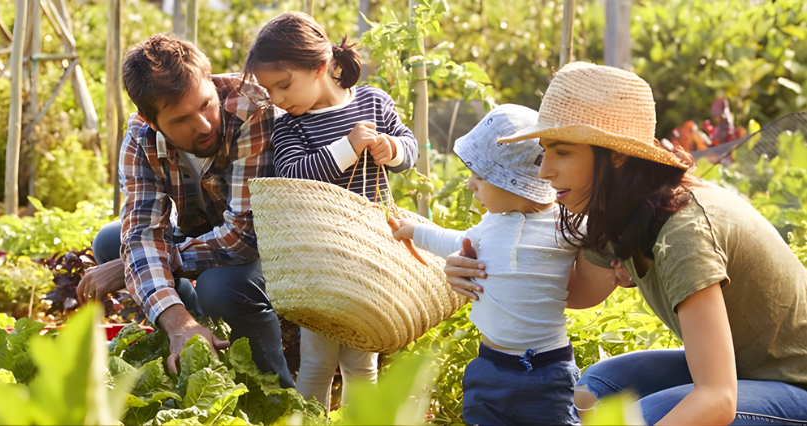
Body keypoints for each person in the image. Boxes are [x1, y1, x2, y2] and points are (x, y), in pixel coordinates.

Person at [449, 61, 807, 425]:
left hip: (795, 387)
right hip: (744, 371)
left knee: (638, 419)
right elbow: (575, 293)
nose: (544, 172)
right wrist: (483, 266)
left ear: (617, 155)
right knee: (595, 391)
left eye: (562, 151)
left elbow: (717, 397)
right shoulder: (623, 208)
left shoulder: (683, 228)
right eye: (545, 152)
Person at [75, 34, 295, 388]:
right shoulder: (140, 139)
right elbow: (142, 232)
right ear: (150, 120)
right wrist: (177, 320)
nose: (204, 125)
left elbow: (242, 237)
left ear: (212, 85)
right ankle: (196, 350)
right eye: (181, 119)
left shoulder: (250, 109)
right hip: (208, 234)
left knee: (220, 286)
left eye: (206, 104)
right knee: (111, 241)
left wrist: (144, 264)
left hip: (266, 245)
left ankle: (277, 392)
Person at [242, 12, 418, 408]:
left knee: (362, 359)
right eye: (270, 91)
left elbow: (410, 148)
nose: (278, 99)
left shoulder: (373, 102)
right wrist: (347, 147)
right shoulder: (290, 127)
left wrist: (392, 150)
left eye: (284, 85)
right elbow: (291, 174)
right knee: (318, 360)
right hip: (319, 260)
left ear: (320, 66)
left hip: (369, 253)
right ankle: (309, 418)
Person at [392, 104, 582, 425]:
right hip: (490, 365)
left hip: (549, 370)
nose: (470, 185)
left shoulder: (567, 225)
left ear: (512, 183)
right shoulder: (490, 225)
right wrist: (412, 230)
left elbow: (607, 240)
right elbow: (452, 241)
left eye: (479, 177)